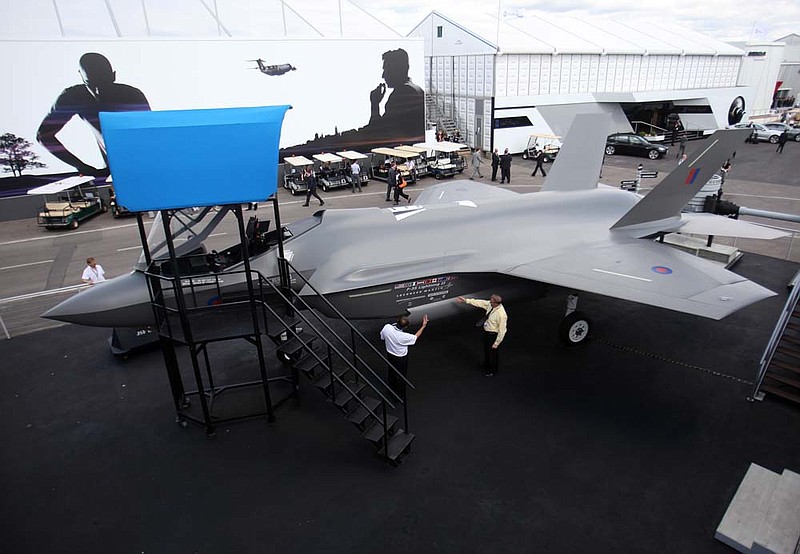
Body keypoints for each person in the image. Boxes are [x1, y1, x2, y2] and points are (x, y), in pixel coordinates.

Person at [37, 52, 151, 177]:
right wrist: (80, 165)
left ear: (113, 76)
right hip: (116, 171)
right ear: (81, 77)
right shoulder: (73, 97)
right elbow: (43, 136)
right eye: (91, 84)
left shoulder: (133, 96)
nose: (98, 91)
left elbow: (149, 135)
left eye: (103, 83)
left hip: (145, 165)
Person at [368, 49, 424, 138]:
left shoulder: (402, 94)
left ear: (398, 70)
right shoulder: (416, 90)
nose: (383, 75)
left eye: (387, 69)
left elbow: (377, 131)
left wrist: (374, 104)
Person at [456, 295, 508, 377]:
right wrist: (466, 300)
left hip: (493, 335)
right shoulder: (491, 305)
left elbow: (502, 330)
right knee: (486, 350)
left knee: (493, 354)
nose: (489, 301)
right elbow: (480, 302)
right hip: (487, 333)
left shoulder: (501, 314)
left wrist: (497, 342)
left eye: (491, 300)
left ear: (496, 303)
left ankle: (493, 371)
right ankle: (486, 365)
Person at [379, 314, 429, 400]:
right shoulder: (403, 336)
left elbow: (382, 337)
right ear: (405, 327)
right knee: (401, 376)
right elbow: (415, 337)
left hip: (390, 354)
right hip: (400, 357)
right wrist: (423, 326)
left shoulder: (387, 327)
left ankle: (391, 390)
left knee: (391, 372)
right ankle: (400, 396)